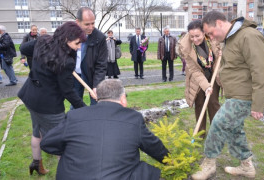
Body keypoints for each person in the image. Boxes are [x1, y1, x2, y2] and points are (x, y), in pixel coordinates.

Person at [191, 11, 264, 180]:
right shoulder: (230, 38)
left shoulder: (249, 36)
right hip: (234, 94)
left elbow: (260, 70)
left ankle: (209, 164)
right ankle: (246, 166)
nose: (211, 37)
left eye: (211, 33)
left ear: (219, 23)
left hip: (244, 96)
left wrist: (258, 104)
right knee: (234, 130)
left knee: (218, 124)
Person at [40, 79, 169, 180]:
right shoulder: (133, 118)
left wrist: (72, 150)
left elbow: (47, 143)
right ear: (123, 99)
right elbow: (154, 147)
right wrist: (172, 161)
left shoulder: (75, 115)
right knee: (147, 171)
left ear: (97, 97)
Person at [18, 21, 87, 176]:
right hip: (49, 107)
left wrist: (39, 53)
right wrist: (86, 110)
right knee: (61, 144)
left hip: (30, 97)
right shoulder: (66, 62)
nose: (79, 47)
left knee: (37, 132)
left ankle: (36, 164)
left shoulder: (43, 41)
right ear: (66, 39)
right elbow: (68, 92)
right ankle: (66, 175)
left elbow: (23, 48)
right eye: (77, 43)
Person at [177, 20, 221, 137]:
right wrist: (206, 86)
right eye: (192, 36)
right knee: (200, 104)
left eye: (197, 36)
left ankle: (215, 132)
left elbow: (218, 57)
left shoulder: (213, 39)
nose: (195, 39)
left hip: (212, 75)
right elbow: (195, 70)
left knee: (213, 103)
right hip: (197, 78)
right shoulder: (185, 47)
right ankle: (201, 133)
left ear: (204, 32)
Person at [74, 7, 108, 106]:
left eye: (93, 23)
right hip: (75, 75)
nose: (91, 27)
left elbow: (101, 64)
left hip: (92, 75)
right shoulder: (70, 34)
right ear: (78, 22)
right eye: (87, 24)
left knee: (95, 104)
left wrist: (97, 85)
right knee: (75, 104)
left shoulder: (100, 38)